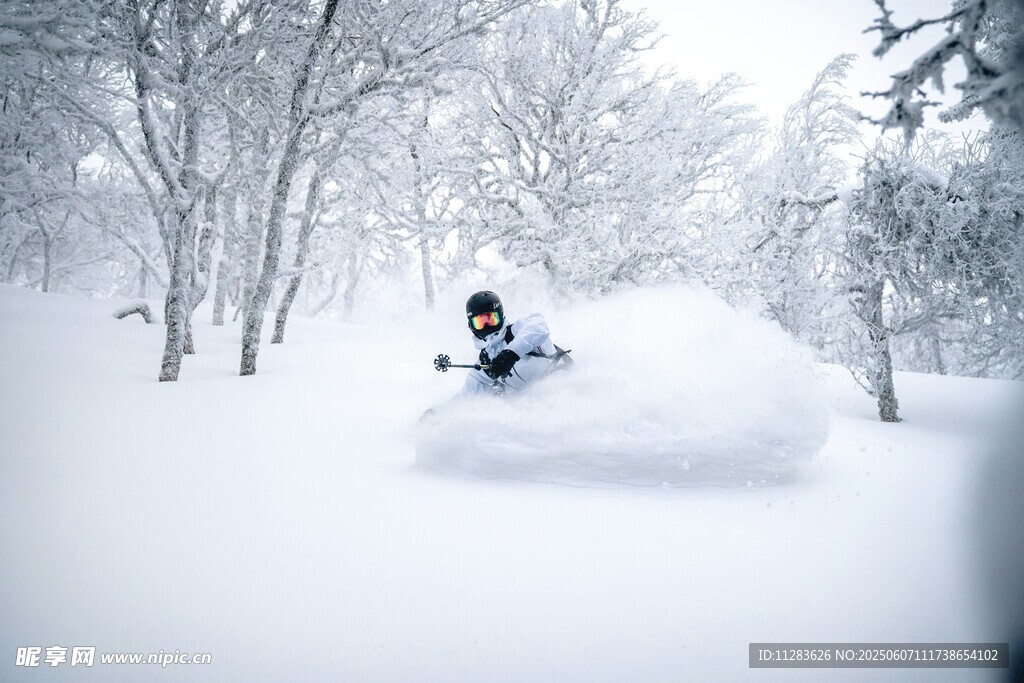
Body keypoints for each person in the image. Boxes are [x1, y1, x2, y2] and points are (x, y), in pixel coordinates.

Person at [461, 290, 571, 395]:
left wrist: (511, 353)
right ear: (471, 326)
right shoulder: (486, 361)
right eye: (480, 322)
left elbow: (538, 325)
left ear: (501, 316)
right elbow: (467, 395)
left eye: (491, 319)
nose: (487, 326)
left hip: (563, 385)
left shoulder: (516, 331)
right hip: (533, 403)